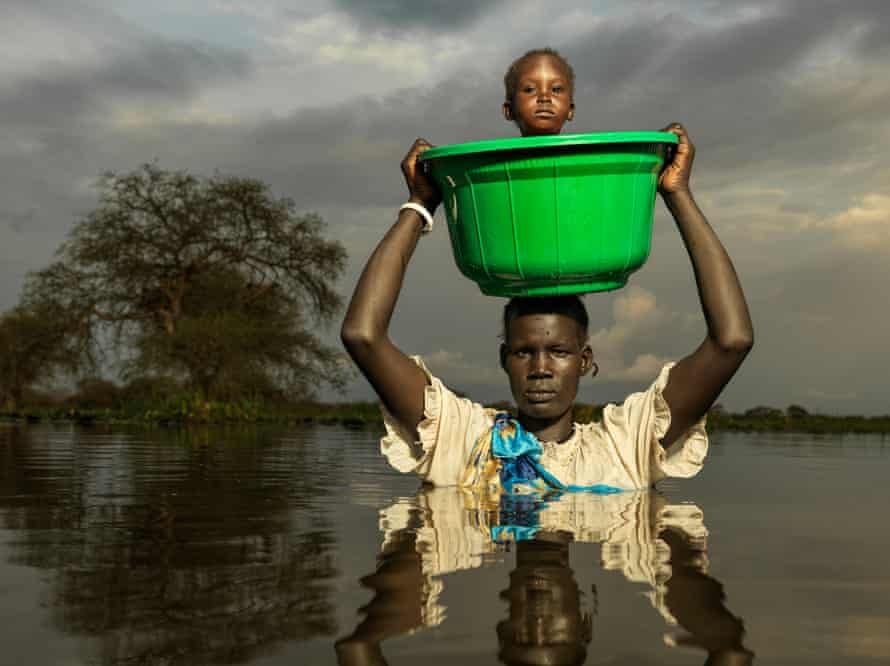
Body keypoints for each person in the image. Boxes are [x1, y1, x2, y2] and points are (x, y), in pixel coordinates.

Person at [340, 48, 753, 492]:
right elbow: (362, 336)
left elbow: (732, 341)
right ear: (504, 360)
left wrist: (678, 194)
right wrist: (420, 205)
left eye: (558, 351)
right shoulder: (463, 441)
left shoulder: (624, 446)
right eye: (523, 352)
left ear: (585, 360)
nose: (540, 368)